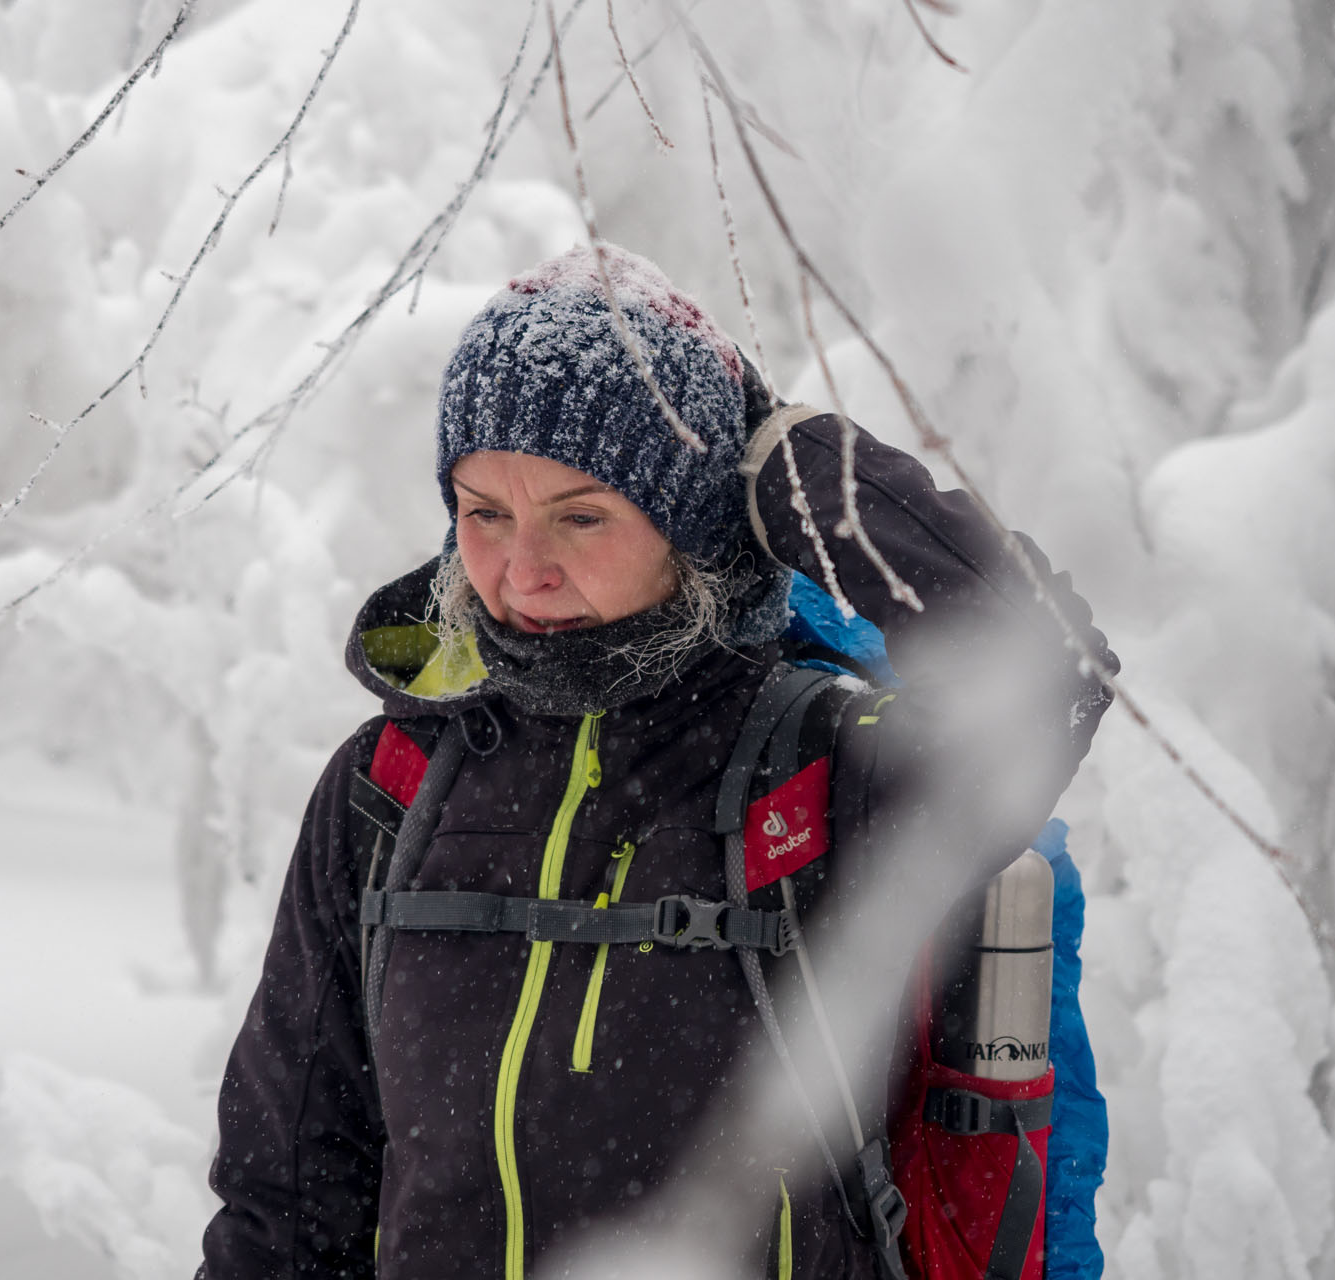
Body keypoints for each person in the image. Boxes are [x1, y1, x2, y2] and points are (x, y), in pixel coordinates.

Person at [197, 245, 1116, 1280]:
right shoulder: (392, 783)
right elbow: (283, 1202)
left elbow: (1046, 678)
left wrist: (798, 464)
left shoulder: (824, 774)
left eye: (580, 515)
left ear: (692, 523)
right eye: (483, 511)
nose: (520, 568)